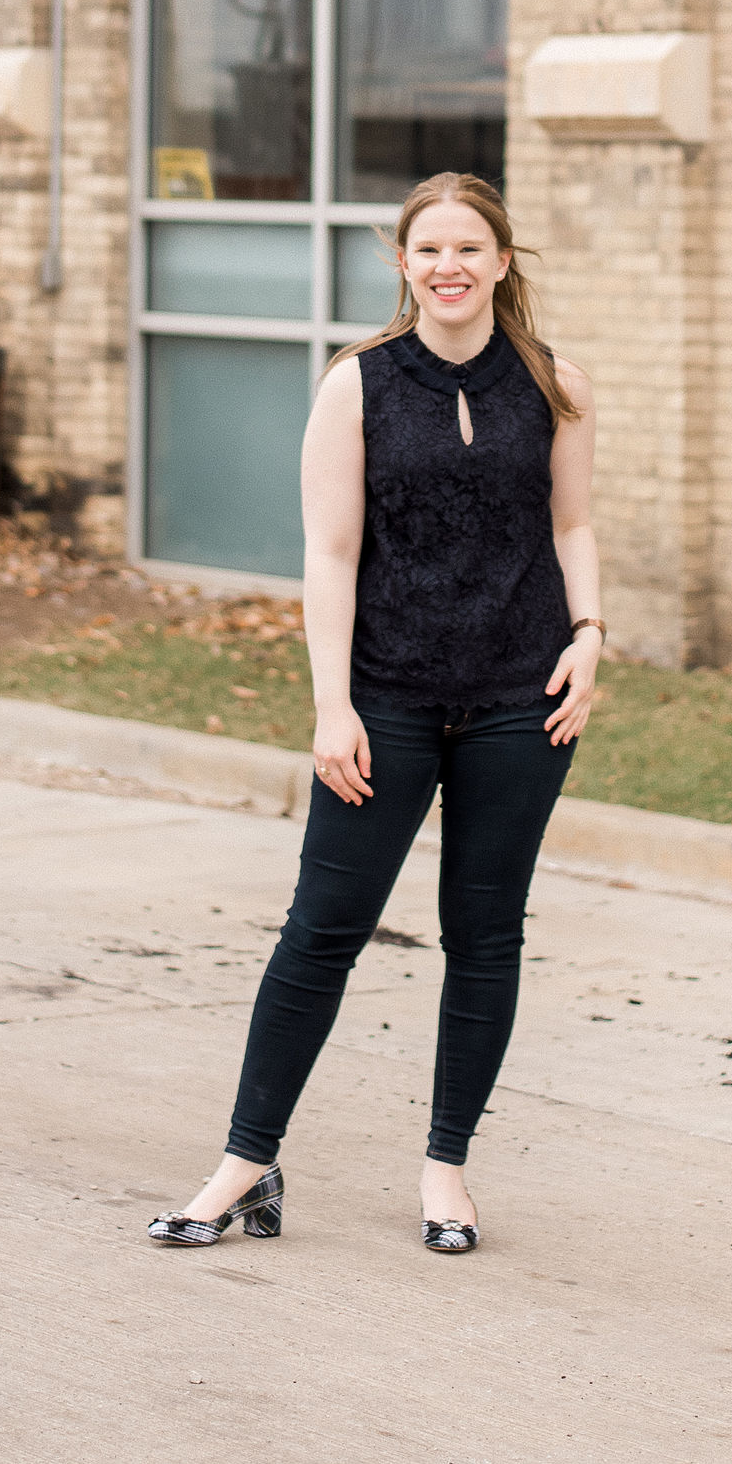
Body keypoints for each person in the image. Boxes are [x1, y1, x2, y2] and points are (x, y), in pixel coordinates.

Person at [147, 171, 603, 1256]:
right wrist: (330, 706)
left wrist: (588, 636)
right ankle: (243, 1166)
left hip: (519, 699)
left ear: (501, 260)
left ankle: (446, 1169)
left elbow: (574, 523)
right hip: (383, 699)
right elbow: (330, 553)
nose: (448, 265)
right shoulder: (356, 385)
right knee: (320, 932)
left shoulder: (555, 384)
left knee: (484, 936)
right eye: (427, 248)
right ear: (401, 263)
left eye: (469, 247)